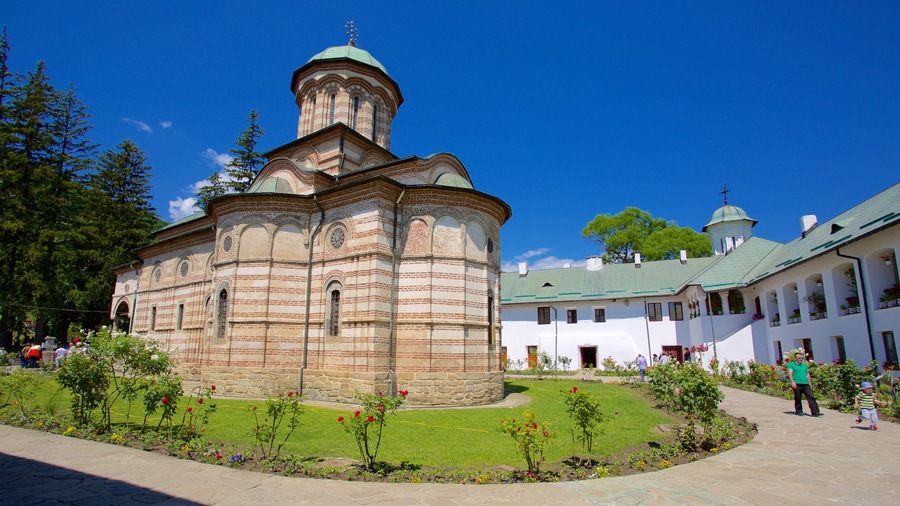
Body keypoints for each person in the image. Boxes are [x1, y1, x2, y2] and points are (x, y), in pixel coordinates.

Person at [787, 352, 823, 417]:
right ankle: (799, 410)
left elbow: (807, 374)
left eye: (802, 358)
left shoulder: (804, 365)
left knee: (811, 397)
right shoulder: (791, 365)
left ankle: (815, 412)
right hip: (797, 384)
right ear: (795, 358)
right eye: (799, 358)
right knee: (798, 397)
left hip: (805, 384)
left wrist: (810, 383)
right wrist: (792, 382)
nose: (801, 359)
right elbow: (790, 373)